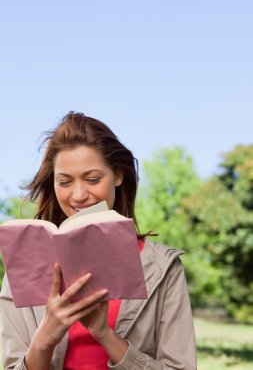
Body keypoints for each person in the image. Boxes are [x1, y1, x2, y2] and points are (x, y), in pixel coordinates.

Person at [0, 111, 197, 370]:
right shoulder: (25, 263)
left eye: (92, 179)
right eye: (65, 182)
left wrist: (105, 334)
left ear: (118, 175)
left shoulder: (163, 268)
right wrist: (45, 337)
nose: (79, 194)